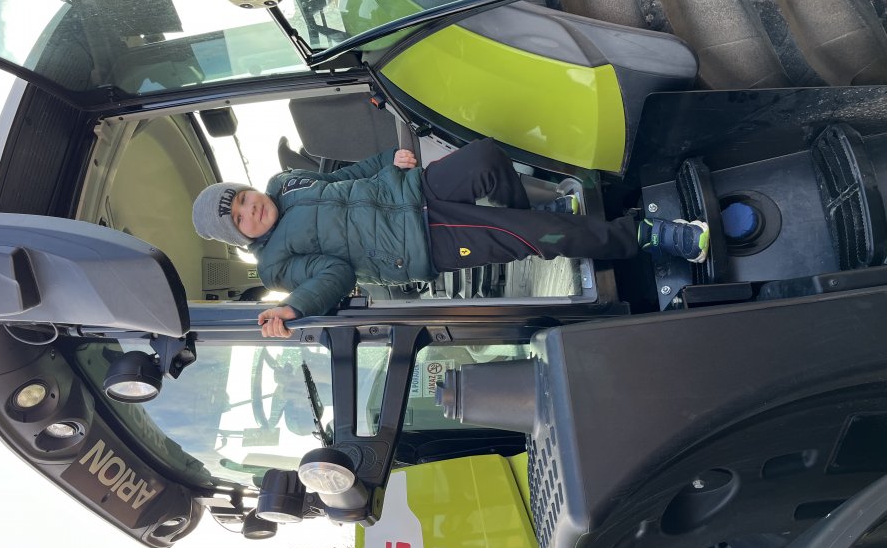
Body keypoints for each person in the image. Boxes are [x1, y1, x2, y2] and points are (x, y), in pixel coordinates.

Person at [192, 139, 709, 338]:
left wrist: (385, 160)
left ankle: (543, 214)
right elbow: (335, 276)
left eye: (243, 198)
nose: (251, 208)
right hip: (418, 240)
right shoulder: (277, 264)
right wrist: (295, 308)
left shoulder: (286, 184)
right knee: (536, 235)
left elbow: (345, 178)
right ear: (239, 236)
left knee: (486, 158)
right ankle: (648, 235)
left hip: (412, 189)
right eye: (240, 217)